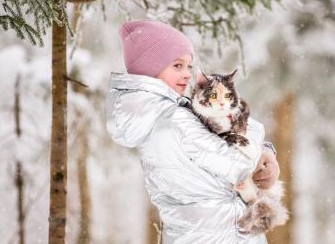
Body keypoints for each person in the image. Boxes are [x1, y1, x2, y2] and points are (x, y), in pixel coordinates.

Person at [106, 19, 280, 244]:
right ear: (151, 67)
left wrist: (266, 150)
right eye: (177, 65)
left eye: (189, 66)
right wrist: (258, 140)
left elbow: (236, 133)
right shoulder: (174, 119)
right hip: (220, 235)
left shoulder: (165, 114)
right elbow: (239, 163)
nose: (188, 74)